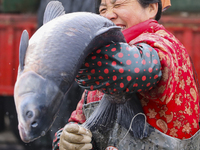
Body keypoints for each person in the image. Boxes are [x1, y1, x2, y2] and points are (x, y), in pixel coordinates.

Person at [52, 0, 200, 149]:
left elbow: (133, 68)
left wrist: (74, 52)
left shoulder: (164, 46)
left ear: (151, 8)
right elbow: (76, 122)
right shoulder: (103, 68)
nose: (108, 15)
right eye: (103, 10)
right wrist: (67, 140)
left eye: (118, 5)